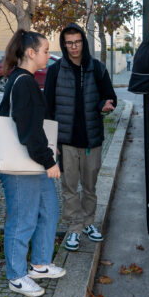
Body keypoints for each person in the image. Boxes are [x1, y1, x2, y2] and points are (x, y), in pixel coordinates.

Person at [0, 29, 65, 297]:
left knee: (49, 210)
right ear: (31, 53)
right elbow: (28, 130)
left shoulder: (25, 79)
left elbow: (35, 125)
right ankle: (16, 275)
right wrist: (49, 160)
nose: (49, 56)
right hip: (21, 164)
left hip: (32, 161)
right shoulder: (23, 81)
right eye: (46, 51)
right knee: (22, 219)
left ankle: (39, 263)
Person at [44, 23, 117, 252]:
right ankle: (74, 228)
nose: (73, 47)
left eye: (77, 42)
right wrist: (50, 143)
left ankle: (88, 223)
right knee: (69, 187)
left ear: (83, 43)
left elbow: (110, 97)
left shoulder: (97, 68)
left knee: (90, 186)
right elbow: (48, 109)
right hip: (66, 142)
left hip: (91, 140)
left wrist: (104, 105)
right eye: (69, 43)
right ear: (63, 45)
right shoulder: (55, 71)